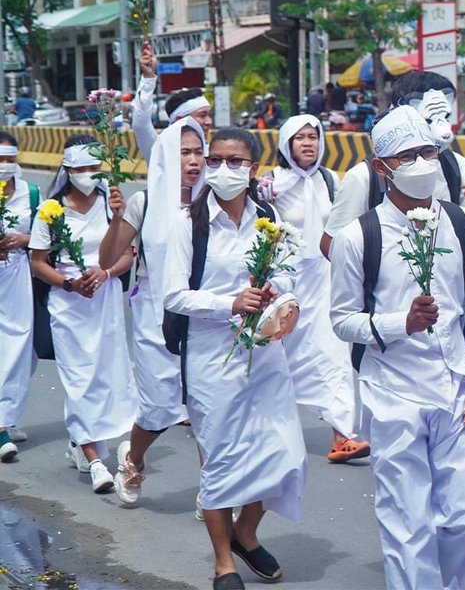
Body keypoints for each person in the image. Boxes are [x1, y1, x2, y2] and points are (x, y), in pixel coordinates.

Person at [329, 105, 465, 589]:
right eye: (407, 156)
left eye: (428, 151)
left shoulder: (464, 224)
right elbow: (342, 321)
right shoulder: (357, 237)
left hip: (457, 390)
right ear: (382, 167)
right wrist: (399, 323)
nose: (422, 163)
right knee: (408, 527)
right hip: (393, 394)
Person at [163, 128, 307, 590]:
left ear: (254, 169)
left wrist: (278, 296)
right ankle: (224, 561)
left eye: (237, 161)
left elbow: (289, 276)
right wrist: (228, 302)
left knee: (284, 454)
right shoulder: (189, 223)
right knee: (222, 462)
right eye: (217, 160)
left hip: (264, 356)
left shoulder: (269, 220)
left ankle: (246, 533)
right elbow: (172, 294)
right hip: (212, 362)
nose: (225, 170)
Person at [98, 118, 207, 506]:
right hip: (153, 315)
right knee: (160, 405)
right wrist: (115, 220)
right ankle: (134, 456)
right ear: (166, 157)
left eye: (198, 152)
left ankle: (212, 494)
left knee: (203, 404)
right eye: (184, 153)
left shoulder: (211, 200)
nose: (194, 161)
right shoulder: (145, 202)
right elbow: (109, 258)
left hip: (202, 315)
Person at [28, 137, 137, 495]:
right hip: (68, 303)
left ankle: (85, 440)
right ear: (68, 171)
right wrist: (69, 284)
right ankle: (93, 460)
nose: (89, 175)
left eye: (95, 168)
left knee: (108, 373)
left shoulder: (111, 203)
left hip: (104, 301)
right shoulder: (50, 210)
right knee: (78, 378)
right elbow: (38, 262)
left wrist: (105, 274)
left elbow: (128, 253)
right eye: (81, 169)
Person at [260, 115, 368, 463]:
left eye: (314, 137)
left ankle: (343, 435)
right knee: (276, 353)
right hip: (285, 280)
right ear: (285, 144)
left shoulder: (329, 180)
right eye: (300, 138)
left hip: (325, 280)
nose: (308, 144)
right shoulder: (270, 183)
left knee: (333, 352)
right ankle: (261, 425)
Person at [320, 71, 465, 257]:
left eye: (445, 117)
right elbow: (332, 244)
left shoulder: (457, 167)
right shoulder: (364, 177)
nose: (444, 131)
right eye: (428, 119)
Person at [0, 133, 38, 461]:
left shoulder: (31, 193)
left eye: (10, 159)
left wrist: (26, 238)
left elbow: (46, 236)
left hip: (17, 279)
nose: (5, 166)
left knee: (19, 349)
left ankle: (7, 416)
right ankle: (1, 427)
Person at [131, 43, 214, 161]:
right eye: (202, 115)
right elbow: (140, 124)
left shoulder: (214, 154)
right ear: (179, 120)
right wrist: (148, 78)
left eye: (209, 115)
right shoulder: (160, 149)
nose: (208, 122)